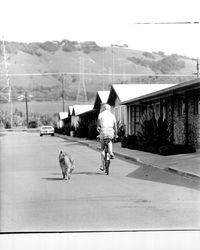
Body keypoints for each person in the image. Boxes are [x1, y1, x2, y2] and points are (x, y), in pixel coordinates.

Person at [97, 103, 117, 171]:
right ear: (109, 109)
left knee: (102, 148)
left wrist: (98, 129)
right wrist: (116, 134)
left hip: (103, 131)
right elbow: (115, 126)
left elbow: (98, 125)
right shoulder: (112, 115)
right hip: (111, 130)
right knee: (110, 140)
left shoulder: (101, 114)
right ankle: (111, 152)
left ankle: (102, 166)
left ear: (103, 108)